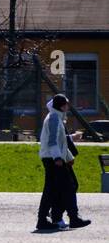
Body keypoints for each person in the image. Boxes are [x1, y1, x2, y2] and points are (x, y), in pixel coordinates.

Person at [39, 95, 89, 230]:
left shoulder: (56, 116)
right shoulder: (54, 118)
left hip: (52, 158)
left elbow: (61, 141)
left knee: (53, 190)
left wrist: (68, 156)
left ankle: (47, 219)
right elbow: (53, 141)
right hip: (53, 159)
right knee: (68, 187)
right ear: (62, 106)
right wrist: (58, 158)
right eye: (67, 104)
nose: (68, 107)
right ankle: (73, 218)